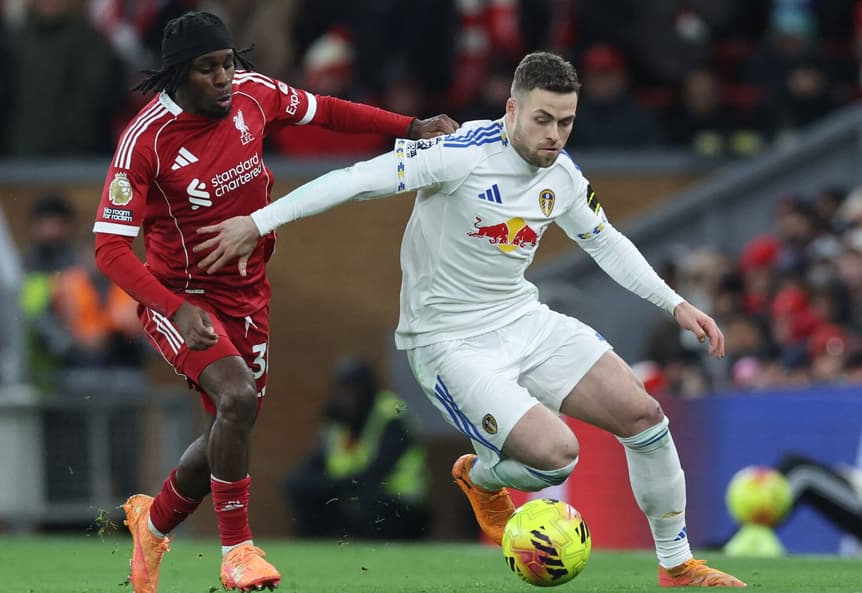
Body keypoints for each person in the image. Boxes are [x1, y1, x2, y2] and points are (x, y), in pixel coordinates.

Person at [198, 51, 747, 587]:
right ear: (511, 110)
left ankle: (677, 568)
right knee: (557, 458)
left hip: (522, 318)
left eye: (566, 121)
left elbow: (606, 244)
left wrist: (675, 303)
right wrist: (259, 220)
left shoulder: (565, 175)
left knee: (645, 416)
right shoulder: (459, 155)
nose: (554, 135)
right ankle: (482, 477)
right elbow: (354, 180)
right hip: (448, 343)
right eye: (542, 120)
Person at [90, 11, 457, 593]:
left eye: (228, 63)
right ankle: (238, 551)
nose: (224, 77)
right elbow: (109, 248)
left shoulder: (254, 96)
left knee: (228, 429)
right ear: (179, 76)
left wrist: (410, 126)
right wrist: (175, 307)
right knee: (234, 398)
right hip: (181, 298)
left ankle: (152, 524)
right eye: (208, 68)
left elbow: (328, 110)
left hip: (248, 293)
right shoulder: (147, 140)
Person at [283, 357, 429, 540]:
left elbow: (377, 472)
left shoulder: (391, 416)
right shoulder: (338, 421)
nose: (343, 397)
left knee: (368, 499)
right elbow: (313, 464)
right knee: (301, 488)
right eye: (340, 389)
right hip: (352, 494)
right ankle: (317, 549)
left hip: (399, 503)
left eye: (350, 390)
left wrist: (332, 485)